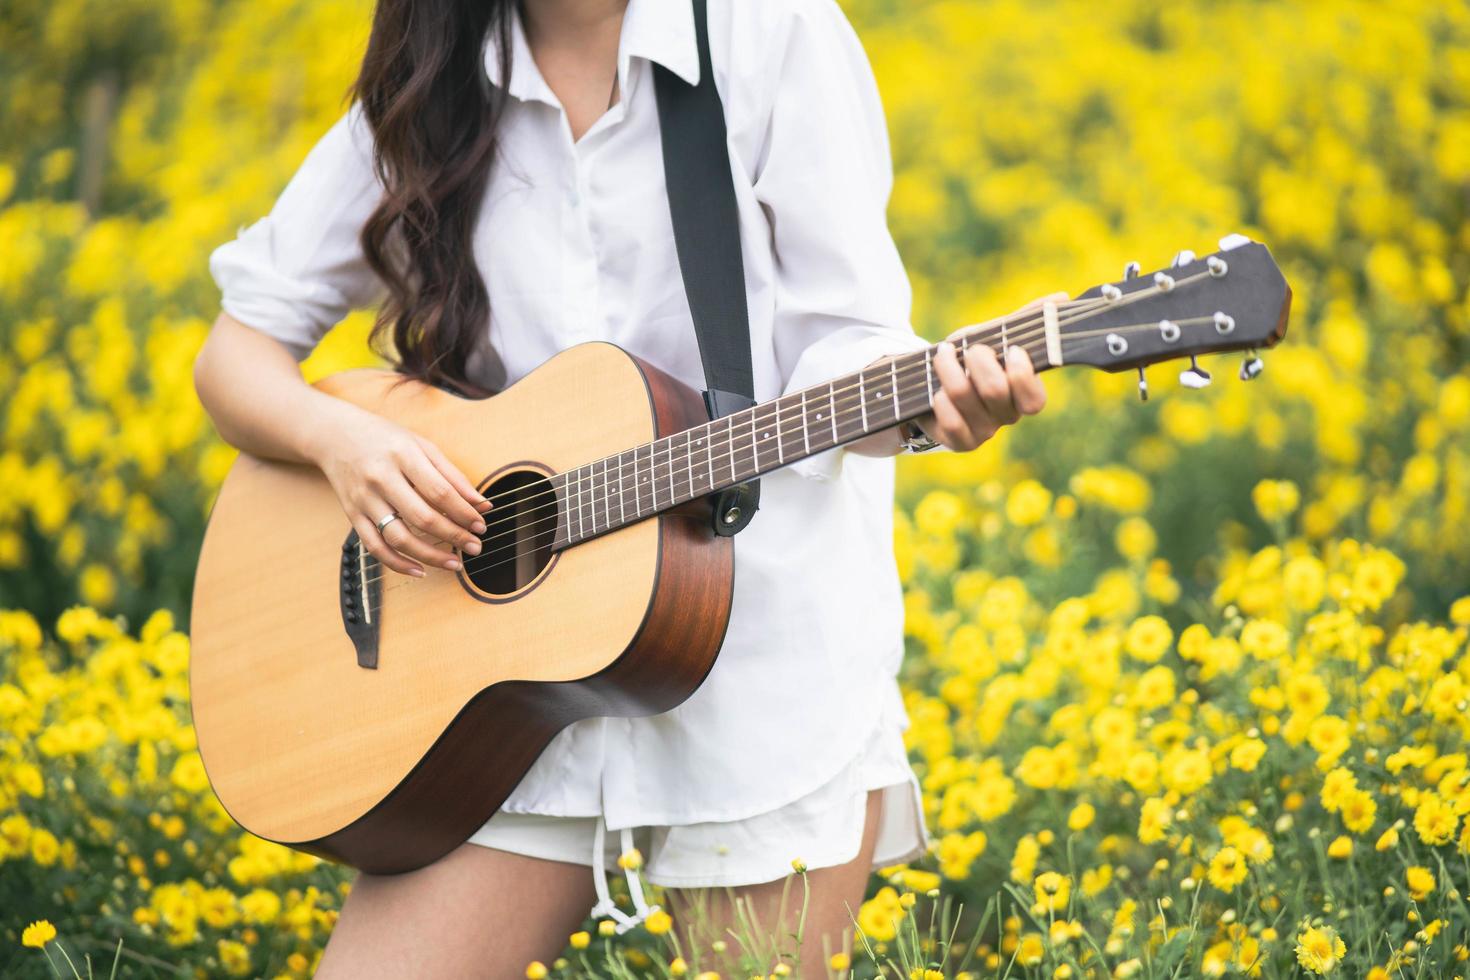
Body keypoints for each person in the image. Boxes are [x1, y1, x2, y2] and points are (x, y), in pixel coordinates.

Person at [192, 0, 1047, 974]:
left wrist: (931, 401)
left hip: (757, 680)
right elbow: (238, 352)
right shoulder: (434, 77)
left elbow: (843, 337)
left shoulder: (770, 33)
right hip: (489, 694)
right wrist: (344, 442)